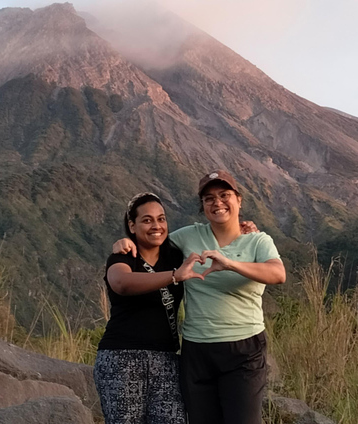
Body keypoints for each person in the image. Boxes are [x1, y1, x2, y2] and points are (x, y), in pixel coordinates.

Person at [113, 170, 286, 424]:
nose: (217, 203)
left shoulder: (258, 241)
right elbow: (153, 239)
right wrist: (123, 243)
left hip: (243, 349)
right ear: (203, 206)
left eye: (224, 195)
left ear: (239, 200)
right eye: (209, 198)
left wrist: (230, 264)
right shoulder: (189, 236)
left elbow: (277, 273)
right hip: (197, 350)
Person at [93, 192, 205, 424]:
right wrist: (174, 276)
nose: (156, 226)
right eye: (147, 220)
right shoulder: (123, 257)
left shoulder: (175, 255)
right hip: (121, 358)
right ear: (132, 226)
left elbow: (213, 240)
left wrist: (243, 230)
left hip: (167, 359)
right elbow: (121, 283)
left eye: (161, 219)